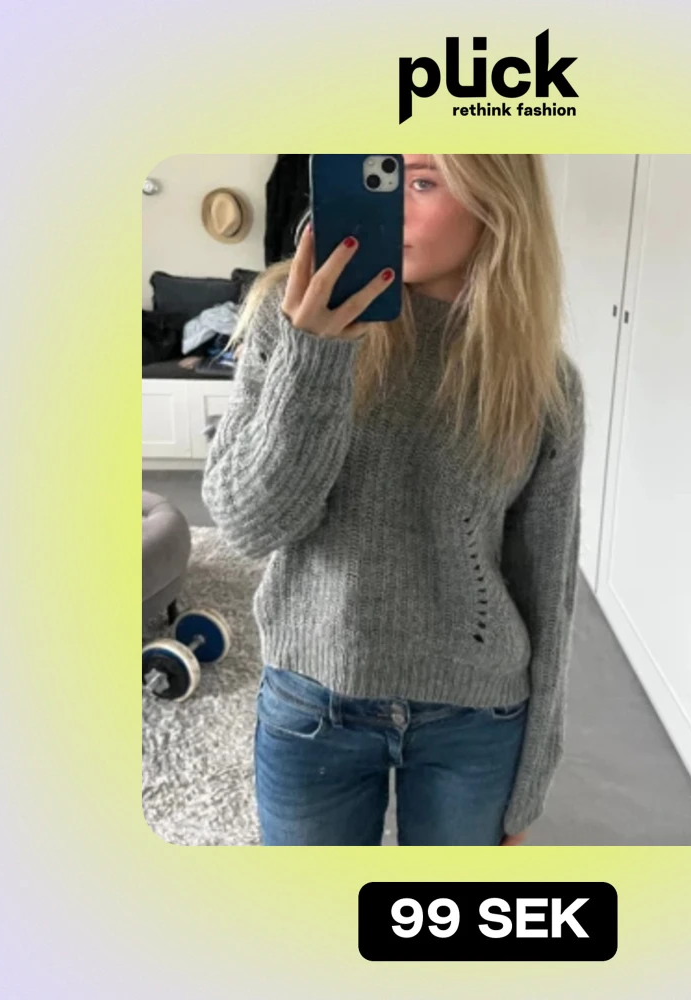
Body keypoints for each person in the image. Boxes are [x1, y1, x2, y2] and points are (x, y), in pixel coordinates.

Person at [202, 154, 585, 846]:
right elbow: (248, 525)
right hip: (313, 698)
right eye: (379, 176)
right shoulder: (284, 320)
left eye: (423, 181)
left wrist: (531, 783)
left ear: (497, 201)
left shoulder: (540, 378)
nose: (391, 205)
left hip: (475, 717)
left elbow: (546, 584)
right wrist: (312, 355)